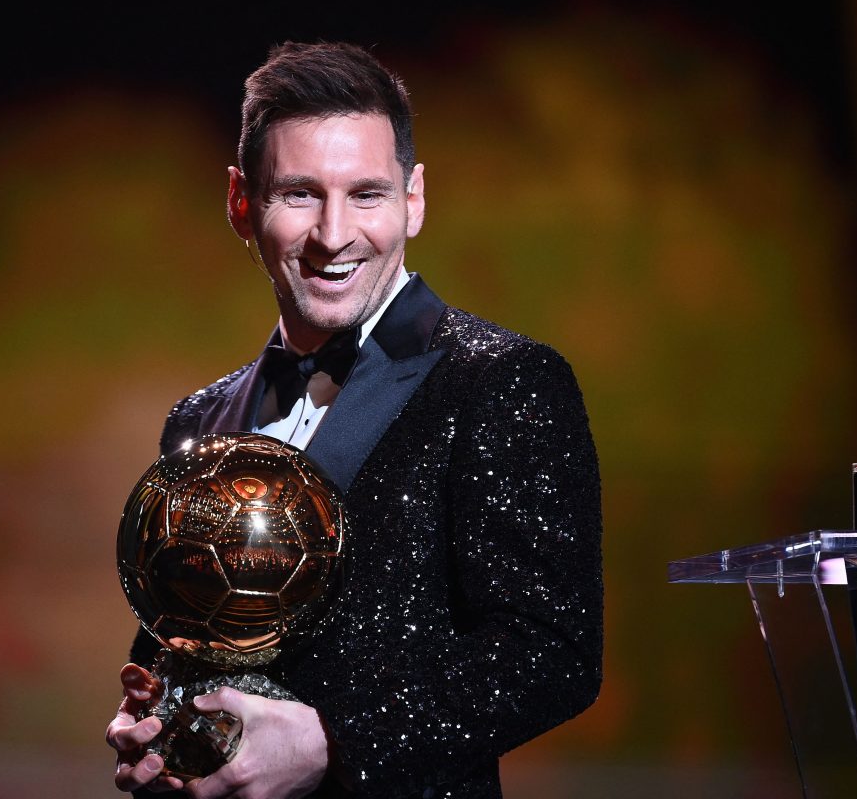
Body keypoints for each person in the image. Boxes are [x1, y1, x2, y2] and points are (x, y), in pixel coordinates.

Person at [106, 41, 603, 799]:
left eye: (366, 194)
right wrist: (160, 718)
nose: (335, 235)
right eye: (300, 194)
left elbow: (550, 652)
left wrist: (332, 739)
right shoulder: (200, 418)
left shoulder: (500, 380)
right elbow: (183, 642)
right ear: (241, 202)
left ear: (415, 198)